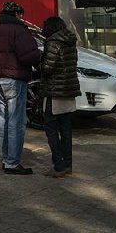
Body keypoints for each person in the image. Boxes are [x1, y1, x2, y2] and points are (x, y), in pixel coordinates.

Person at [0, 1, 41, 175]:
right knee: (16, 122)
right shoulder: (19, 31)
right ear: (16, 14)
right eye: (21, 14)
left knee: (3, 121)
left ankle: (5, 158)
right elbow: (29, 55)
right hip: (15, 80)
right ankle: (12, 162)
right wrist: (41, 54)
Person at [39, 16, 80, 178]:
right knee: (66, 129)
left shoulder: (52, 43)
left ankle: (58, 165)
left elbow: (48, 68)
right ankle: (67, 164)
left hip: (54, 91)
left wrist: (39, 63)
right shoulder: (70, 41)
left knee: (50, 128)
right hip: (69, 90)